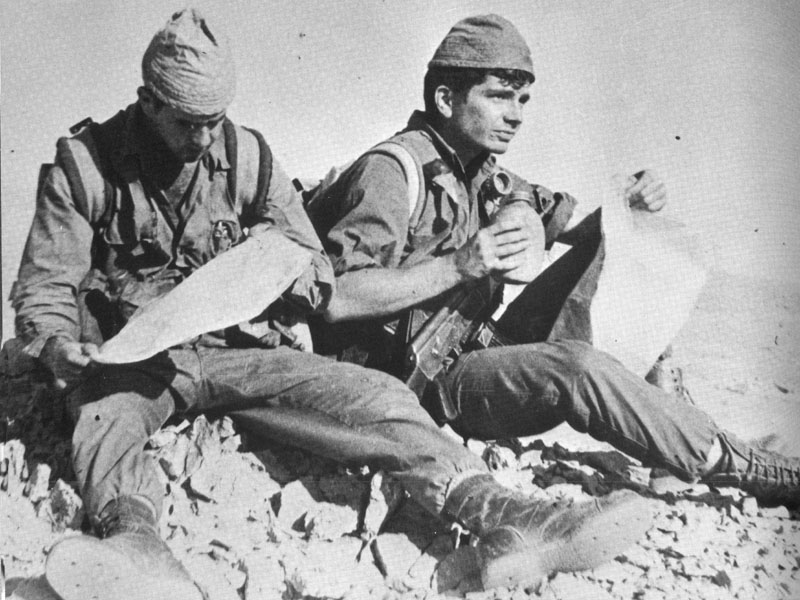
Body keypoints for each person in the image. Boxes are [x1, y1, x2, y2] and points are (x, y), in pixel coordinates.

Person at [10, 9, 653, 599]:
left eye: (215, 120)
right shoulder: (85, 167)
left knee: (378, 400)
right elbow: (46, 288)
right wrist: (60, 346)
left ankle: (512, 518)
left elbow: (313, 261)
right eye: (186, 122)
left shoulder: (246, 155)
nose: (204, 139)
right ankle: (135, 548)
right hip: (133, 362)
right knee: (104, 420)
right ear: (148, 100)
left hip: (240, 350)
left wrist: (271, 273)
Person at [307, 14, 800, 518]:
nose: (516, 115)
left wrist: (630, 201)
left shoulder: (481, 172)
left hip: (474, 346)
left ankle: (675, 431)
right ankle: (751, 467)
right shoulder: (393, 171)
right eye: (500, 97)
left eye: (523, 100)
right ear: (446, 99)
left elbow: (582, 228)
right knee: (576, 369)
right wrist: (459, 265)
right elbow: (339, 297)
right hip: (421, 386)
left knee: (619, 243)